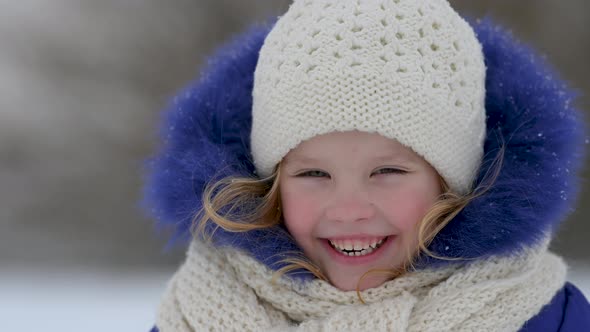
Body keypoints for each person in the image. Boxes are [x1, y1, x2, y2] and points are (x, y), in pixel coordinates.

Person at [144, 0, 590, 330]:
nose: (348, 209)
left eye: (387, 172)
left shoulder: (545, 317)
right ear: (272, 182)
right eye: (314, 174)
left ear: (453, 182)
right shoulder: (198, 312)